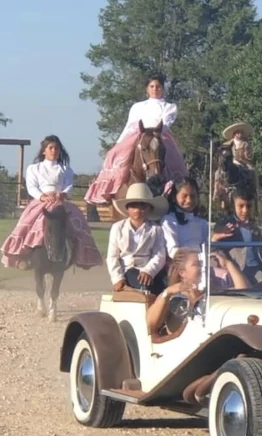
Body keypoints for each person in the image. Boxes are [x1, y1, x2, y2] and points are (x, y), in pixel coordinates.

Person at [1, 135, 103, 270]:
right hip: (41, 202)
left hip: (60, 202)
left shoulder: (66, 169)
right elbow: (32, 187)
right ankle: (23, 256)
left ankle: (80, 257)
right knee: (29, 224)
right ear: (44, 150)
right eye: (51, 148)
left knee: (78, 224)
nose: (54, 151)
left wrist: (63, 193)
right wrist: (42, 196)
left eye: (56, 148)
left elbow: (69, 186)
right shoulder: (34, 168)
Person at [85, 73, 184, 206]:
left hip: (159, 134)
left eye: (158, 86)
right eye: (152, 86)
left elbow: (165, 123)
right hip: (138, 134)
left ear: (163, 88)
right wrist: (119, 142)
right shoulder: (137, 106)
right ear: (147, 89)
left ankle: (178, 191)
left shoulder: (170, 106)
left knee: (175, 159)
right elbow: (129, 125)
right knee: (116, 155)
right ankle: (110, 190)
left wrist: (154, 132)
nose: (155, 89)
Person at [146, 247, 249, 337]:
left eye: (202, 264)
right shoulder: (173, 295)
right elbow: (150, 324)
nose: (202, 268)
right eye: (197, 264)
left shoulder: (212, 289)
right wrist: (167, 293)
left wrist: (228, 264)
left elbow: (244, 292)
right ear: (182, 273)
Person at [107, 183, 168, 294]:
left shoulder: (156, 229)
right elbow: (112, 257)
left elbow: (159, 254)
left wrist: (149, 271)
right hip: (127, 269)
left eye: (143, 206)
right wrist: (118, 278)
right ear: (127, 209)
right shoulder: (117, 228)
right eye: (134, 206)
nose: (138, 210)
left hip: (148, 269)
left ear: (150, 209)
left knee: (165, 286)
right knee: (141, 285)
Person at [212, 189, 262, 279]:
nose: (245, 210)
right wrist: (215, 238)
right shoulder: (225, 225)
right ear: (233, 206)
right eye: (241, 206)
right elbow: (213, 248)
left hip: (254, 271)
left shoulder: (255, 228)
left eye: (249, 206)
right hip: (233, 272)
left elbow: (260, 251)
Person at [161, 176, 209, 257]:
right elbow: (173, 251)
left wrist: (214, 239)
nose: (189, 200)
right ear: (174, 197)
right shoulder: (169, 220)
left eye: (193, 196)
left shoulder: (202, 223)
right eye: (184, 196)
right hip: (182, 265)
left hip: (201, 264)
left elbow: (206, 248)